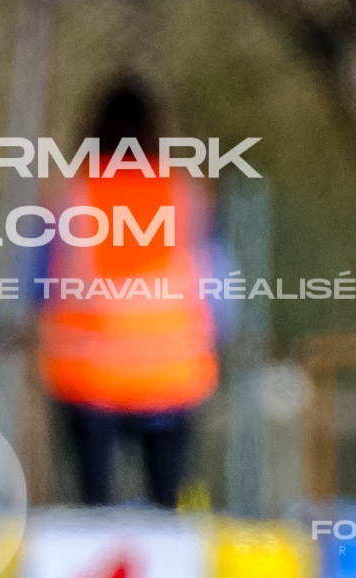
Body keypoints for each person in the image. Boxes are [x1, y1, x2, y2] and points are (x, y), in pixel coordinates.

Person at [36, 76, 223, 508]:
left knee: (94, 506)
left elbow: (38, 281)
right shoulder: (184, 190)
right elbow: (216, 281)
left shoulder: (72, 191)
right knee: (168, 507)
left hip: (88, 377)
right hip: (172, 376)